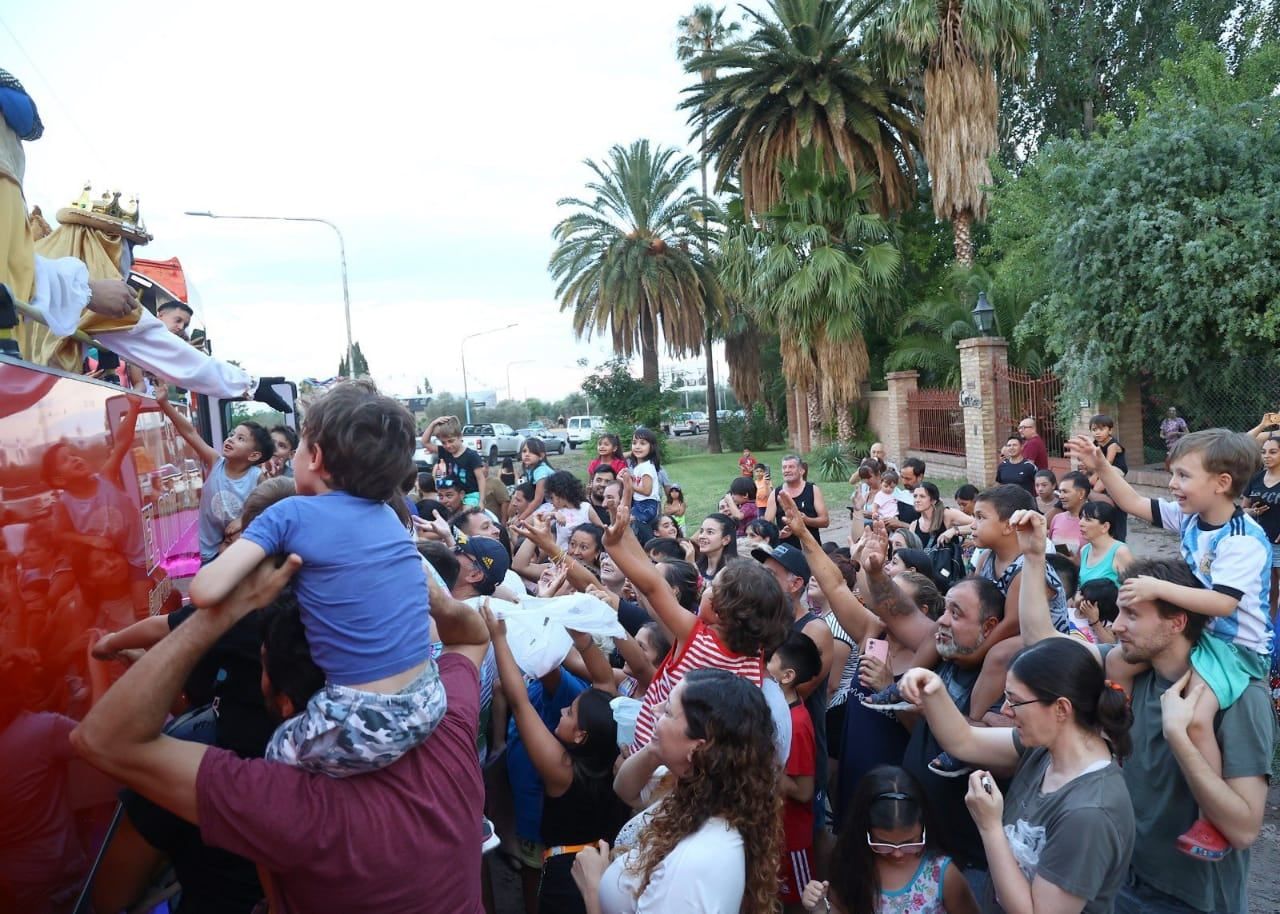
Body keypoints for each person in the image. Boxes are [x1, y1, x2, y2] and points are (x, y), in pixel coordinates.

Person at [1015, 510, 1274, 914]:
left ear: (1177, 622)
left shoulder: (1240, 698)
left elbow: (1242, 829)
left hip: (1190, 902)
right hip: (1124, 878)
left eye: (1132, 615)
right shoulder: (1135, 664)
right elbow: (1041, 644)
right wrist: (1033, 559)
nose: (1116, 626)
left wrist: (1179, 738)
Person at [189, 381, 444, 777]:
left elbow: (204, 589)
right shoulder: (388, 516)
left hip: (360, 720)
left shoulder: (290, 513)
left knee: (269, 750)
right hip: (428, 697)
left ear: (316, 456)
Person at [1068, 428, 1273, 861]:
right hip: (1202, 636)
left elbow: (1222, 603)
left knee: (1196, 719)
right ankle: (1116, 732)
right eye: (1172, 474)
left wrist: (1158, 587)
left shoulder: (1241, 539)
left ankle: (1211, 819)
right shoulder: (1192, 517)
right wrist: (1101, 465)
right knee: (1119, 664)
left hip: (1235, 650)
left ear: (1221, 483)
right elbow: (1133, 502)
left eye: (1183, 476)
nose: (1173, 484)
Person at [898, 624, 1136, 914]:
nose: (1005, 711)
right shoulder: (1045, 748)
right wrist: (933, 690)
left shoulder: (1089, 814)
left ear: (1061, 709)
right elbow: (963, 740)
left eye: (1016, 701)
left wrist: (989, 825)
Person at [571, 671, 783, 914]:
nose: (655, 710)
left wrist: (593, 888)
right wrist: (656, 747)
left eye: (669, 711)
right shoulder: (694, 789)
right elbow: (624, 789)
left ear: (698, 749)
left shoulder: (695, 862)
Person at [602, 504, 791, 752]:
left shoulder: (694, 636)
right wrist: (625, 534)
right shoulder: (753, 661)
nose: (705, 588)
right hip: (691, 761)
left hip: (652, 750)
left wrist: (614, 546)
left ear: (719, 608)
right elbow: (654, 580)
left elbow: (653, 586)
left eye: (712, 588)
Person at [485, 609, 629, 914]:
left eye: (570, 713)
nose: (563, 711)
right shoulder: (607, 745)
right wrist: (582, 639)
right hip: (598, 860)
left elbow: (520, 703)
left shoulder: (562, 771)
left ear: (580, 735)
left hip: (565, 871)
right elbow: (604, 681)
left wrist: (499, 637)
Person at [800, 766, 978, 914]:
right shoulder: (850, 867)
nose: (897, 853)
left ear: (924, 829)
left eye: (910, 843)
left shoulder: (942, 875)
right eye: (883, 844)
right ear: (864, 832)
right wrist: (822, 908)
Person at [156, 386, 271, 564]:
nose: (231, 439)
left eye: (240, 439)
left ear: (254, 455)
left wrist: (243, 520)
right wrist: (164, 403)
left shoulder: (256, 477)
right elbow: (190, 433)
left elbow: (269, 507)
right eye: (232, 434)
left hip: (236, 550)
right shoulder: (215, 462)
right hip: (207, 550)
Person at [769, 631, 823, 911]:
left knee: (799, 903)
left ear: (787, 676)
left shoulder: (798, 724)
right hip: (772, 832)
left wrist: (762, 764)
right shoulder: (775, 709)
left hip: (791, 840)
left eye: (770, 658)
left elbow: (803, 791)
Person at [1242, 435, 1280, 624]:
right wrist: (1253, 511)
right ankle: (1271, 627)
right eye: (1263, 452)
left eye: (1273, 452)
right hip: (1259, 541)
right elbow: (1243, 509)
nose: (1266, 456)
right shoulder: (1255, 478)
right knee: (1269, 588)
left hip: (1278, 543)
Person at [424, 415, 488, 509]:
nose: (448, 445)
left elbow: (480, 479)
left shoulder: (471, 455)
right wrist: (433, 424)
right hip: (453, 495)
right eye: (444, 443)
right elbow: (425, 442)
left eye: (451, 441)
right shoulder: (445, 452)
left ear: (460, 436)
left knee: (466, 512)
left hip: (471, 495)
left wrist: (481, 501)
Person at [766, 454, 831, 544]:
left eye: (791, 467)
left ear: (801, 471)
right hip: (785, 547)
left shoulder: (813, 490)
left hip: (811, 547)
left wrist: (806, 520)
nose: (787, 470)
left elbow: (825, 522)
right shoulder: (775, 493)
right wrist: (779, 533)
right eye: (784, 467)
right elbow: (766, 525)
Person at [1085, 415, 1129, 541]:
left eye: (1101, 429)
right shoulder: (1095, 444)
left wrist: (1096, 475)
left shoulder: (1112, 445)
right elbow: (1094, 462)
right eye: (1094, 430)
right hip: (1103, 469)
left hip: (1115, 469)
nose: (1097, 432)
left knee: (1097, 488)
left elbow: (1107, 463)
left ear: (1110, 430)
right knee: (1090, 483)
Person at [1078, 501, 1133, 588]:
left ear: (1105, 526)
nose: (1080, 523)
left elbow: (1132, 588)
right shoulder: (1084, 550)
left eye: (1088, 520)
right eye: (1081, 518)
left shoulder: (1120, 552)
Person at [912, 482, 974, 550]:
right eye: (915, 496)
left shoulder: (947, 514)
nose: (917, 500)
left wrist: (954, 531)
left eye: (922, 496)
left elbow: (979, 524)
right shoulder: (914, 526)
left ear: (933, 500)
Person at [624, 427, 662, 533]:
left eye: (642, 443)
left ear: (651, 447)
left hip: (647, 506)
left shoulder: (647, 467)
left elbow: (646, 491)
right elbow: (619, 456)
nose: (637, 446)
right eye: (634, 443)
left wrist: (629, 483)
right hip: (639, 503)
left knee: (633, 528)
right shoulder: (639, 466)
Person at [1049, 471, 1090, 555]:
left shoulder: (1094, 521)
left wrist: (1077, 561)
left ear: (1081, 493)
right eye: (1060, 492)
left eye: (1065, 492)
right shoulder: (1057, 518)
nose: (1061, 496)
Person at [694, 513, 738, 581]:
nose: (702, 536)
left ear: (726, 540)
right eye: (701, 531)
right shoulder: (697, 565)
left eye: (710, 532)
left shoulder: (733, 573)